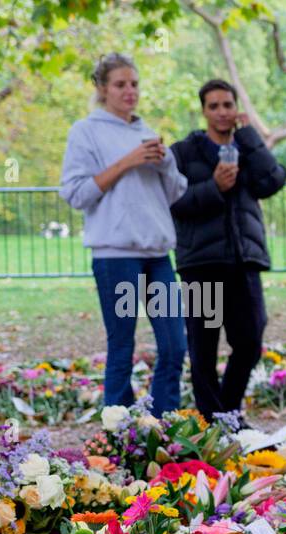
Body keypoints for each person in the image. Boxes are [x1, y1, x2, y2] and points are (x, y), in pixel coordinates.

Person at [59, 53, 188, 413]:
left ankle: (165, 426)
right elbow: (75, 193)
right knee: (122, 346)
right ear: (102, 89)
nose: (129, 91)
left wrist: (165, 164)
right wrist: (127, 162)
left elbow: (177, 192)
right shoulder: (86, 131)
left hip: (158, 253)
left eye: (134, 83)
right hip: (115, 255)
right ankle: (119, 429)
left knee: (175, 345)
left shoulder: (148, 133)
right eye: (120, 84)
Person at [170, 79, 286, 426]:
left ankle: (228, 413)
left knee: (250, 340)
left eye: (228, 105)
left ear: (237, 109)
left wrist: (251, 138)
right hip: (201, 263)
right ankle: (211, 422)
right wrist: (214, 188)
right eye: (214, 106)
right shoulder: (185, 152)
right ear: (204, 111)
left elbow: (274, 180)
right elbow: (175, 201)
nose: (222, 112)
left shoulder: (246, 148)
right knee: (203, 348)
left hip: (243, 261)